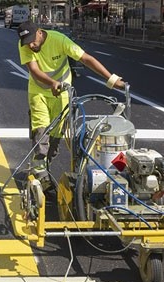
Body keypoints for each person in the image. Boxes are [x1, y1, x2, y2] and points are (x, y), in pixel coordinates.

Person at [17, 21, 125, 190]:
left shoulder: (59, 40)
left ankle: (45, 165)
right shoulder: (24, 44)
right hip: (38, 92)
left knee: (55, 135)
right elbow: (35, 71)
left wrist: (111, 79)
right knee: (41, 130)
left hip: (62, 92)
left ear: (39, 32)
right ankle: (39, 173)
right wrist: (52, 82)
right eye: (27, 43)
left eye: (32, 40)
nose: (30, 45)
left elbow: (86, 58)